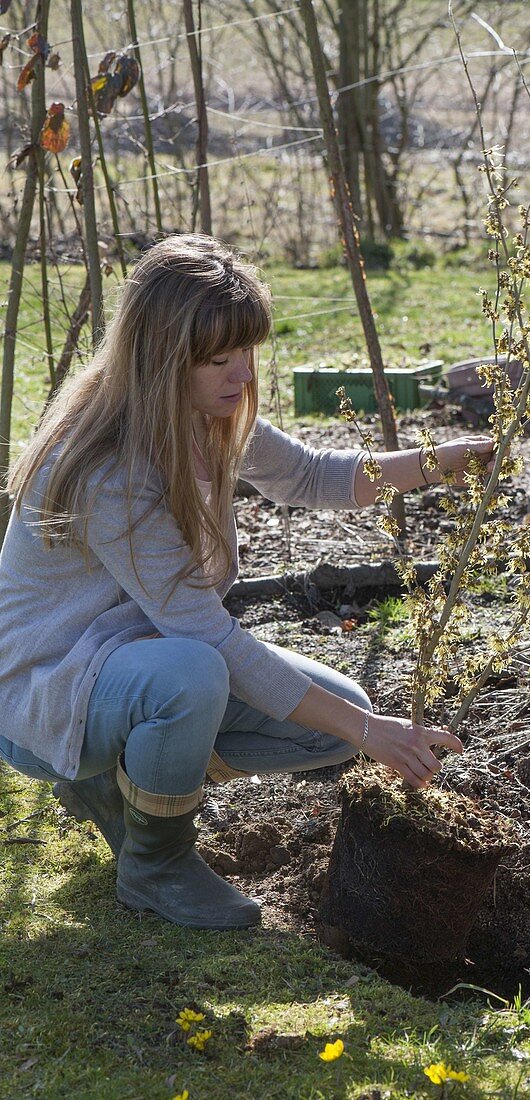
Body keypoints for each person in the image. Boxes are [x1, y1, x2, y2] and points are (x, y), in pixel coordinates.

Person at [0, 234, 494, 932]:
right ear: (163, 358)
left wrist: (442, 461)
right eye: (219, 359)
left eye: (248, 352)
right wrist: (376, 732)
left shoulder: (207, 415)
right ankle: (157, 866)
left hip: (140, 658)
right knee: (197, 675)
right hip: (47, 684)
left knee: (332, 725)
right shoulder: (114, 465)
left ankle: (118, 785)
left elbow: (313, 474)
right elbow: (209, 640)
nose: (242, 376)